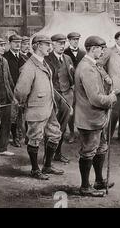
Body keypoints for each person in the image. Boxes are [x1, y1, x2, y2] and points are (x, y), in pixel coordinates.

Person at [15, 35, 64, 180]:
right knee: (35, 138)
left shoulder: (43, 62)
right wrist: (25, 104)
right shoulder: (29, 66)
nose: (50, 47)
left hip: (48, 107)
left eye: (50, 44)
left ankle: (47, 166)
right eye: (46, 44)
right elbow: (21, 91)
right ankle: (35, 169)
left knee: (55, 134)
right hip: (36, 107)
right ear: (36, 46)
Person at [75, 36, 117, 197]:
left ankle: (99, 181)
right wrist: (111, 98)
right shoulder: (87, 68)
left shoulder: (93, 65)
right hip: (89, 118)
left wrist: (107, 80)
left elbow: (102, 82)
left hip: (97, 118)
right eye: (101, 48)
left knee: (100, 148)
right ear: (93, 48)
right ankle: (85, 186)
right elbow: (95, 98)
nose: (103, 51)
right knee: (88, 151)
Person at [45, 34, 75, 164]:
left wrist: (71, 93)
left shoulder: (67, 58)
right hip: (53, 97)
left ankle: (58, 153)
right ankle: (48, 157)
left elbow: (71, 76)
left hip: (67, 96)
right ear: (52, 44)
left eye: (64, 43)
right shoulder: (46, 59)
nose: (62, 46)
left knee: (62, 128)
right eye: (59, 43)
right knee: (52, 128)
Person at [4, 34, 27, 147]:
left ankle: (22, 135)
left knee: (23, 115)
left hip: (23, 91)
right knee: (13, 116)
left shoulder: (24, 57)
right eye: (15, 42)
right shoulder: (5, 57)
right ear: (9, 43)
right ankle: (14, 137)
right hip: (11, 92)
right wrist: (11, 93)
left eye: (19, 42)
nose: (18, 44)